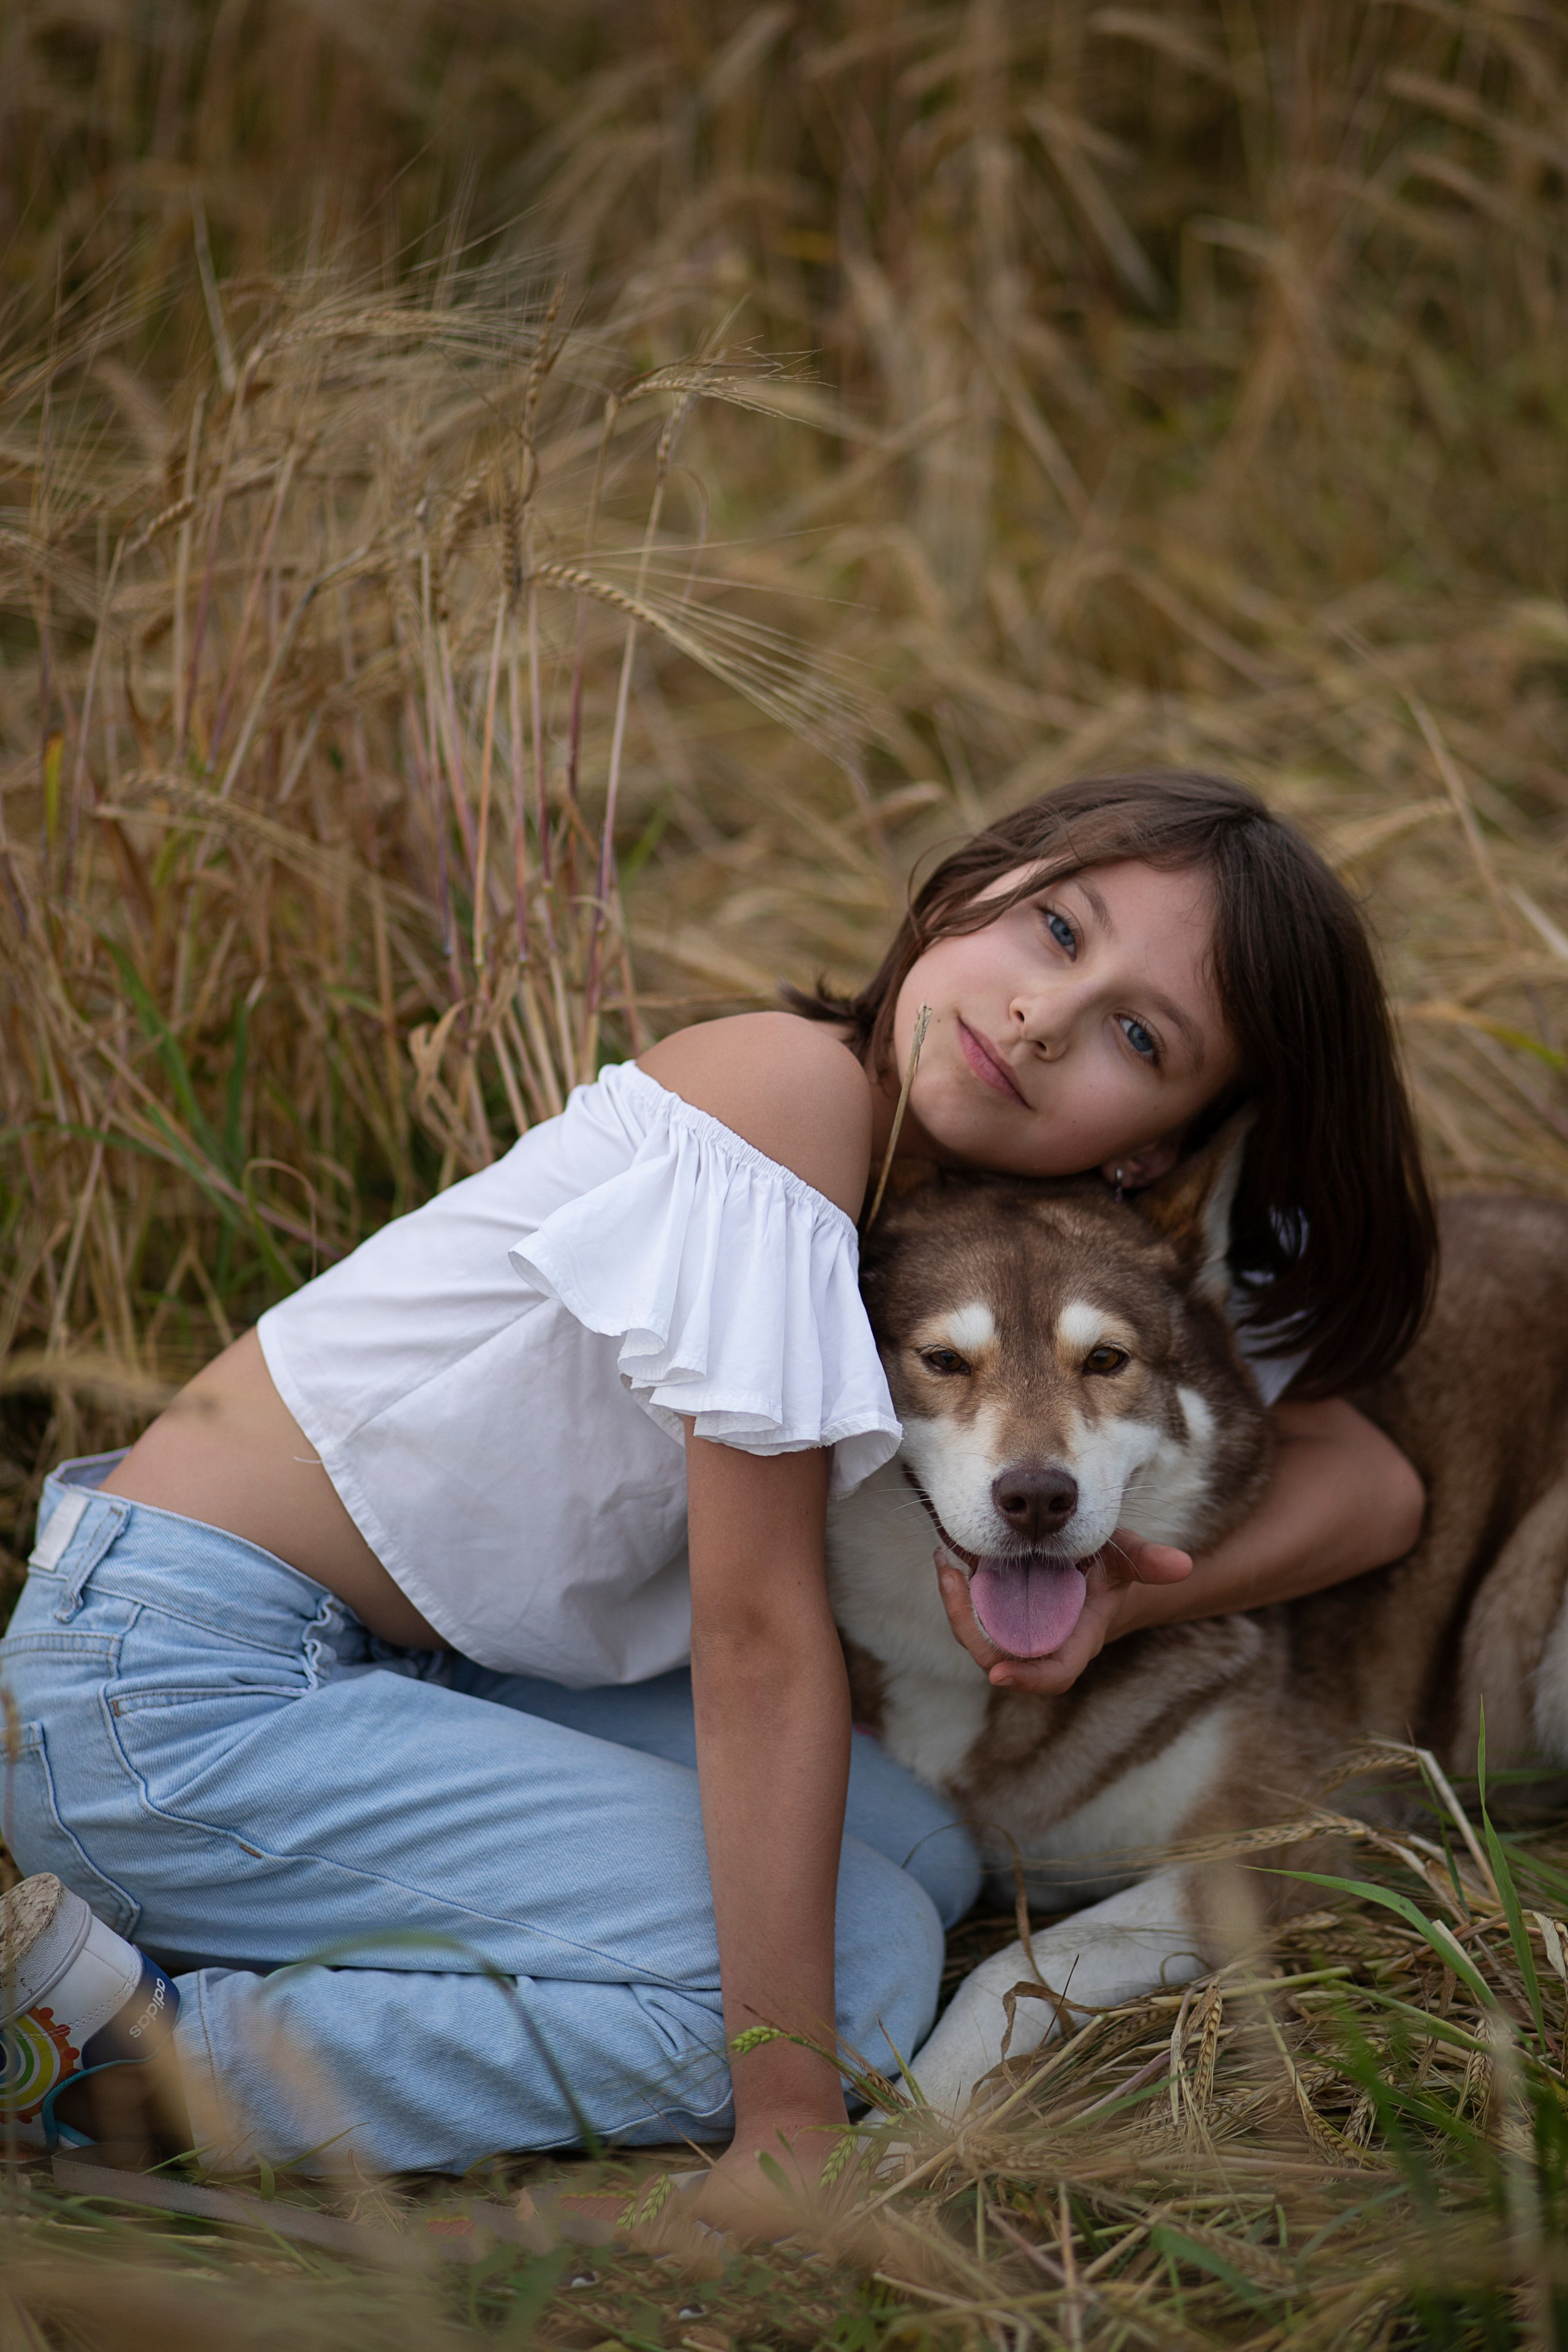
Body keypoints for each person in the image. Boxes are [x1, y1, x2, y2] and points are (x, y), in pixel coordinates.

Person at [0, 770, 1432, 2204]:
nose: (1045, 1015)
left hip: (414, 1676)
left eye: (1136, 1032)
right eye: (1057, 930)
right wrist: (787, 2128)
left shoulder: (979, 1238)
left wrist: (1102, 1610)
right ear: (958, 895)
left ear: (1154, 1152)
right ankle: (126, 2063)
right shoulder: (786, 1099)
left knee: (916, 1848)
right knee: (861, 1977)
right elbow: (754, 1641)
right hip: (177, 1685)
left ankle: (278, 1931)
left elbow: (1367, 1482)